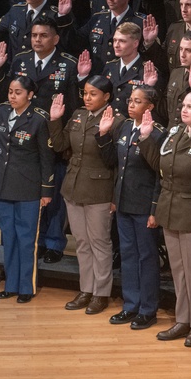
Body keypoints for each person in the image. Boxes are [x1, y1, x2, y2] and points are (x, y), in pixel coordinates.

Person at [138, 90, 191, 347]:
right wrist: (145, 137)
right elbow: (161, 167)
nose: (183, 110)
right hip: (171, 209)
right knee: (178, 271)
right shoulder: (175, 132)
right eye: (183, 105)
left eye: (190, 106)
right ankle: (182, 320)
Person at [0, 16, 78, 264]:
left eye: (43, 35)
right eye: (34, 35)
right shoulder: (21, 60)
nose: (37, 40)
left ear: (55, 39)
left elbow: (72, 106)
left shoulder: (68, 65)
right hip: (23, 140)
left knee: (52, 196)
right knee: (26, 195)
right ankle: (31, 243)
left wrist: (67, 141)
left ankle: (53, 243)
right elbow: (11, 96)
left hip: (53, 138)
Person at [48, 77, 124, 314]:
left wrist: (103, 134)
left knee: (99, 243)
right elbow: (60, 145)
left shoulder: (116, 120)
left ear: (106, 97)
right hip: (73, 186)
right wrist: (54, 119)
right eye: (86, 93)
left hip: (99, 189)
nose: (87, 98)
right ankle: (86, 289)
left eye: (93, 94)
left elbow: (115, 162)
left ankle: (101, 293)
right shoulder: (79, 114)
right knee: (81, 242)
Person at [0, 77, 54, 303]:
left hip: (28, 186)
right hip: (2, 183)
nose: (12, 96)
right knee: (8, 237)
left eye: (18, 92)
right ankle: (11, 283)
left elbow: (47, 158)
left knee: (27, 239)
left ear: (30, 95)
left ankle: (26, 287)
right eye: (10, 91)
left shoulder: (38, 119)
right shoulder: (1, 112)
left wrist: (46, 190)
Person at [98, 86, 165, 330]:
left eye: (138, 101)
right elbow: (114, 165)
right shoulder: (124, 126)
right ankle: (130, 305)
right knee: (127, 254)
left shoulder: (157, 133)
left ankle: (148, 309)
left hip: (145, 205)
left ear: (150, 107)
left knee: (147, 258)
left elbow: (160, 174)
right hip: (124, 202)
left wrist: (155, 209)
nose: (131, 104)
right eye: (130, 100)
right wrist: (104, 136)